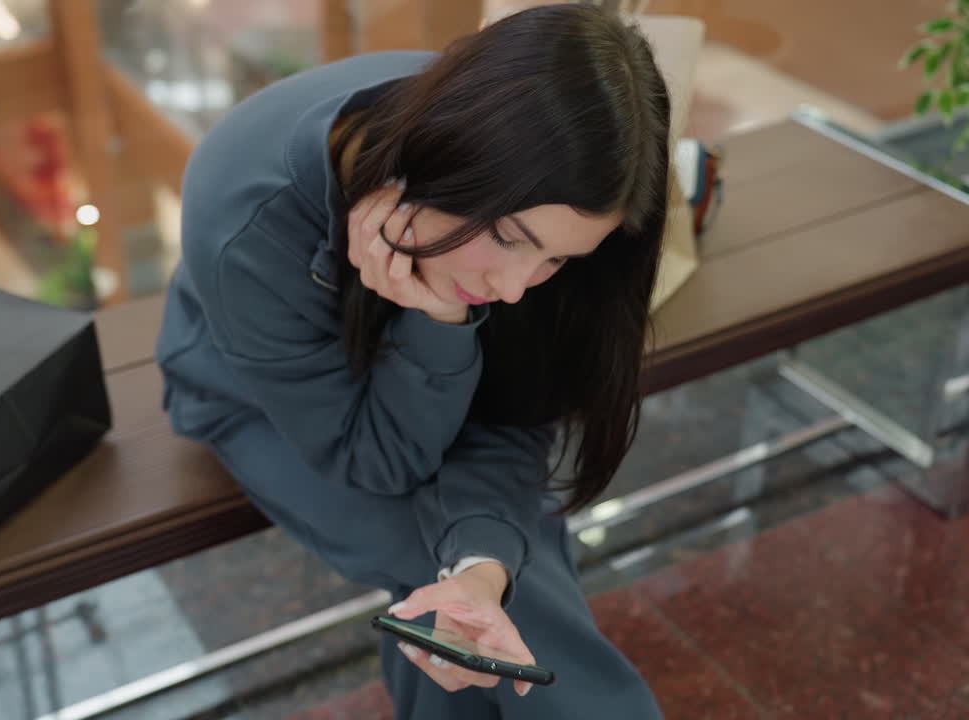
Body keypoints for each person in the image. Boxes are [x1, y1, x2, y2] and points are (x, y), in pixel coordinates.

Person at [154, 4, 670, 718]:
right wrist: (440, 320)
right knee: (462, 565)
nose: (517, 286)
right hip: (259, 401)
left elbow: (513, 413)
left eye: (556, 258)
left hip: (423, 387)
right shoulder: (247, 212)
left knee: (464, 599)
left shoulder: (512, 179)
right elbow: (377, 460)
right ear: (453, 162)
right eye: (513, 238)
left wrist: (480, 575)